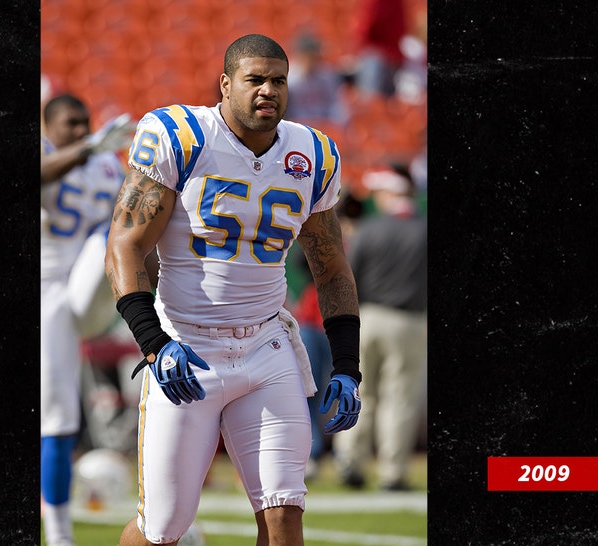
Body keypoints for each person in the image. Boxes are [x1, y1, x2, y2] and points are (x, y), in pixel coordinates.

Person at [105, 34, 362, 546]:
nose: (269, 90)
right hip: (187, 347)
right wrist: (154, 343)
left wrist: (347, 366)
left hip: (267, 348)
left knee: (284, 513)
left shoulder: (312, 153)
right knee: (164, 527)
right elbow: (125, 244)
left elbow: (332, 268)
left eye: (279, 80)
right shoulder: (182, 137)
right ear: (225, 84)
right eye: (255, 79)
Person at [40, 93, 132, 546]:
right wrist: (88, 148)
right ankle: (59, 535)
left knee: (119, 226)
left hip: (91, 289)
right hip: (47, 294)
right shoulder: (59, 152)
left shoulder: (106, 163)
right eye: (70, 123)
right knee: (58, 418)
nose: (80, 130)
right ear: (47, 125)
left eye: (85, 123)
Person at [332, 165, 427, 491]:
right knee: (399, 398)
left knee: (360, 392)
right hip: (409, 322)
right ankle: (392, 472)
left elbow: (350, 277)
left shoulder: (368, 230)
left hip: (367, 319)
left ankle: (350, 462)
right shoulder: (423, 230)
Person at [285, 34, 347, 127]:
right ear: (299, 55)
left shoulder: (328, 76)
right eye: (307, 55)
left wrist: (335, 123)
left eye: (313, 56)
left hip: (325, 124)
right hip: (298, 125)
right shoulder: (289, 79)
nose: (310, 60)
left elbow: (336, 105)